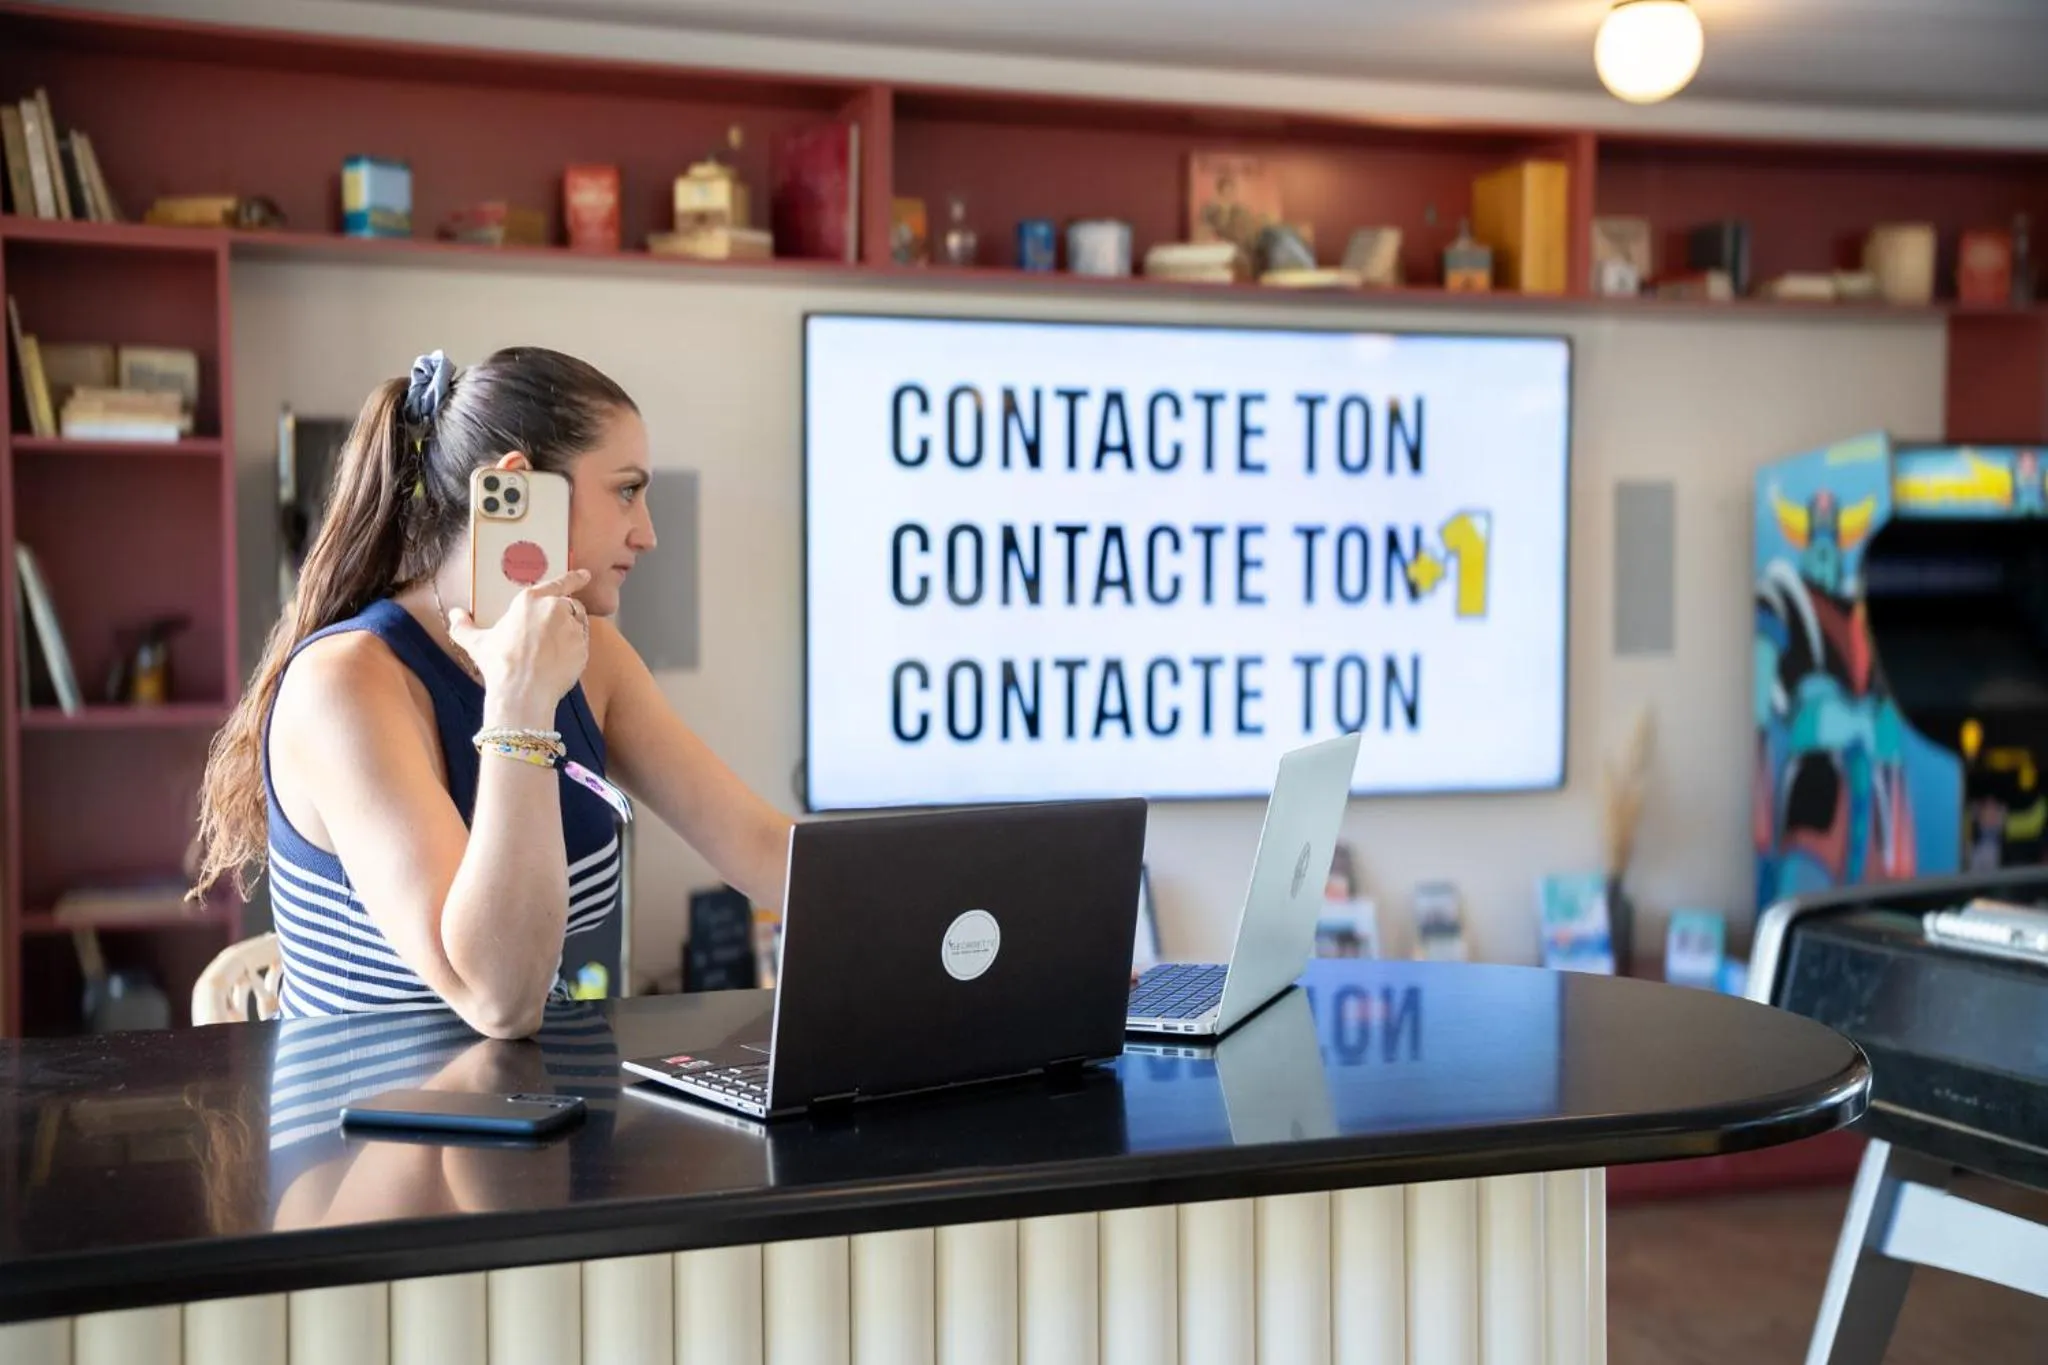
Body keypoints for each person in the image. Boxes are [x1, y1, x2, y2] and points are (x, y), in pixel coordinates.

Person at [193, 347, 792, 1037]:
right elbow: (497, 999)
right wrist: (520, 700)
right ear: (519, 489)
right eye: (627, 490)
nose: (648, 533)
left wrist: (901, 901)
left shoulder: (593, 656)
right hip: (372, 1103)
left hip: (532, 1089)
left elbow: (757, 844)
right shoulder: (345, 685)